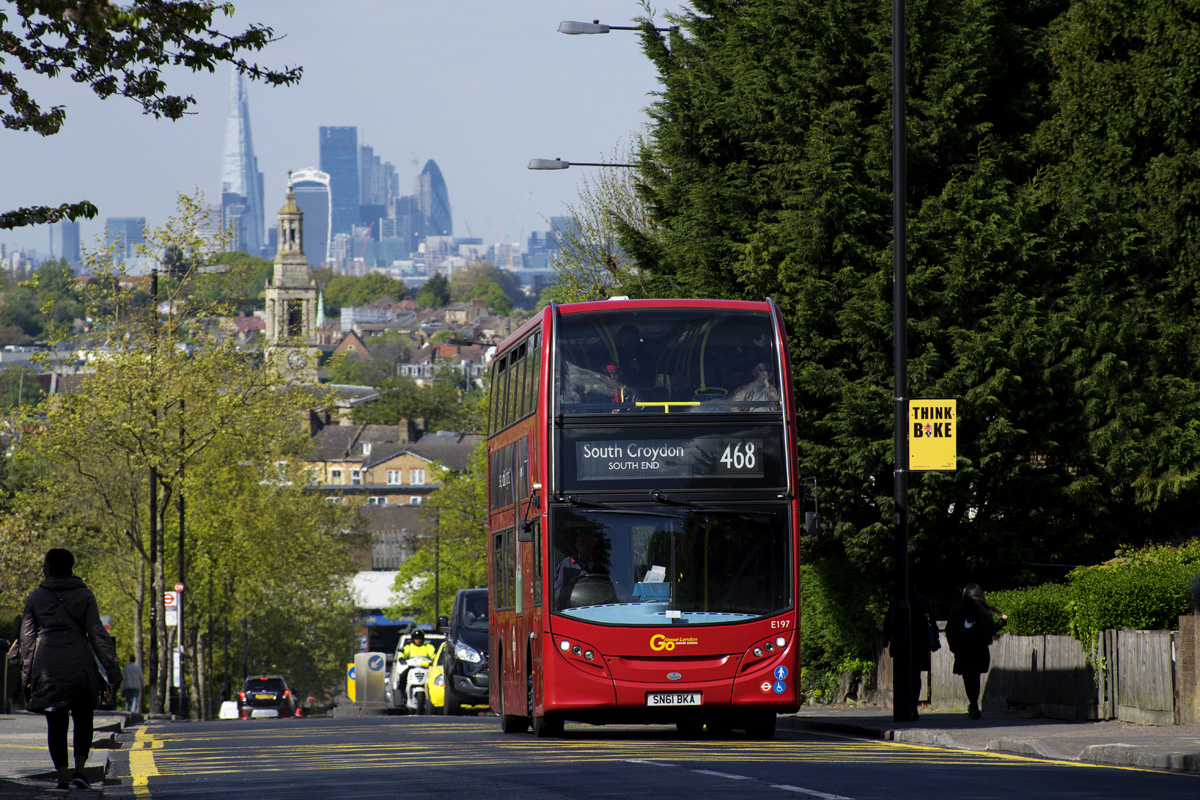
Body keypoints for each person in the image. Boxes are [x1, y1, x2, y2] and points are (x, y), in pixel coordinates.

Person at [20, 548, 120, 791]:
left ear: (50, 569)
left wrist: (27, 676)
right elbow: (97, 633)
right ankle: (80, 771)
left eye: (44, 565)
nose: (43, 569)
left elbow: (27, 641)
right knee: (84, 718)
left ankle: (62, 777)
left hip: (47, 665)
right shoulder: (85, 595)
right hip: (80, 664)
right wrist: (113, 670)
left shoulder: (36, 598)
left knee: (56, 722)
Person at [945, 583, 1008, 719]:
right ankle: (974, 704)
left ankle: (973, 703)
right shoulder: (983, 612)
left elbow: (949, 630)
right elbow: (989, 631)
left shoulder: (957, 611)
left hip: (963, 651)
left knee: (968, 678)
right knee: (976, 677)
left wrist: (954, 647)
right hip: (979, 650)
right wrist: (1001, 622)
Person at [554, 530, 607, 607]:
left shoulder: (601, 564)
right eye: (582, 543)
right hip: (572, 608)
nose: (586, 547)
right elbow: (557, 589)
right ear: (577, 545)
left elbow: (607, 587)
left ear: (593, 545)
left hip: (598, 605)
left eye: (589, 544)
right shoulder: (566, 564)